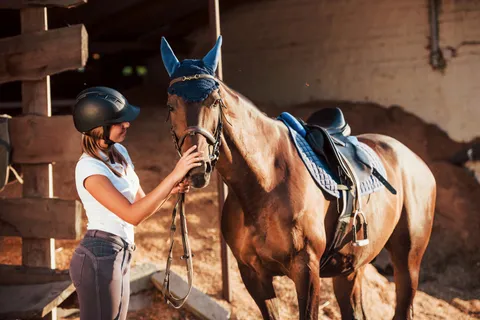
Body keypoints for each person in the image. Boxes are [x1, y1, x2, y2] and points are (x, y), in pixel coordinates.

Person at [68, 86, 203, 320]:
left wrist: (171, 190)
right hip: (100, 256)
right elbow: (132, 215)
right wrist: (173, 174)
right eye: (119, 122)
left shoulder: (119, 152)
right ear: (99, 127)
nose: (127, 125)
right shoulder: (89, 169)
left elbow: (141, 204)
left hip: (119, 253)